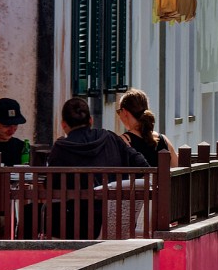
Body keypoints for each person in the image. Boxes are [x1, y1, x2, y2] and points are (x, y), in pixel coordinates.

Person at [48, 97, 150, 239]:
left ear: (63, 125)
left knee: (30, 213)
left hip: (77, 225)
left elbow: (52, 186)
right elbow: (143, 166)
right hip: (116, 221)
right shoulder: (110, 138)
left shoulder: (61, 148)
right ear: (90, 120)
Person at [116, 88, 176, 167]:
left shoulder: (123, 141)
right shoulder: (164, 140)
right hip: (164, 179)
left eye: (118, 111)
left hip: (136, 180)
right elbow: (176, 168)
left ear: (124, 112)